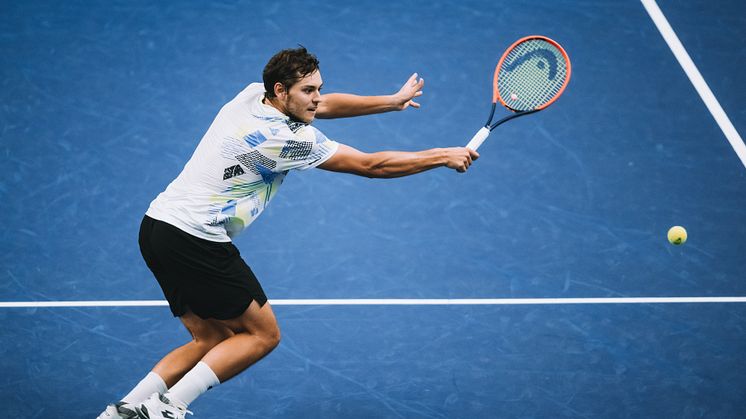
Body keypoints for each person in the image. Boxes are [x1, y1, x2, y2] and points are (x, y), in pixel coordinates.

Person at [97, 46, 478, 419]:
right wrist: (441, 156)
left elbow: (326, 106)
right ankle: (167, 408)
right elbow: (371, 165)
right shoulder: (286, 141)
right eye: (307, 91)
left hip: (157, 227)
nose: (316, 98)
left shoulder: (251, 95)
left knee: (211, 340)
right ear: (281, 91)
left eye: (317, 88)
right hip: (196, 239)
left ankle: (124, 411)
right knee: (262, 335)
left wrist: (390, 101)